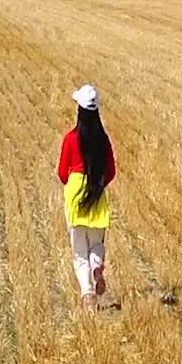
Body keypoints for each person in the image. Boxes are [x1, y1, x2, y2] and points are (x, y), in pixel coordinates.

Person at [57, 84, 117, 312]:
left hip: (75, 192)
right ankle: (97, 265)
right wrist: (98, 185)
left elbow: (63, 173)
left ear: (79, 111)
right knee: (96, 243)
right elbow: (111, 171)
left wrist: (74, 185)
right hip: (96, 190)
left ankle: (87, 295)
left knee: (78, 251)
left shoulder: (70, 139)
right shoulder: (103, 140)